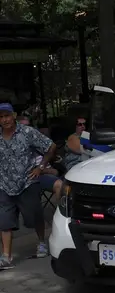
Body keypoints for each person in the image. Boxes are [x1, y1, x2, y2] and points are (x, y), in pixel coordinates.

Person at [0, 102, 57, 269]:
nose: (5, 120)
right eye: (1, 117)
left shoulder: (27, 132)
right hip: (3, 184)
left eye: (7, 116)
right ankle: (6, 257)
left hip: (27, 181)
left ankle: (41, 243)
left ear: (14, 116)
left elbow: (51, 146)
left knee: (34, 216)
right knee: (4, 220)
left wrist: (41, 167)